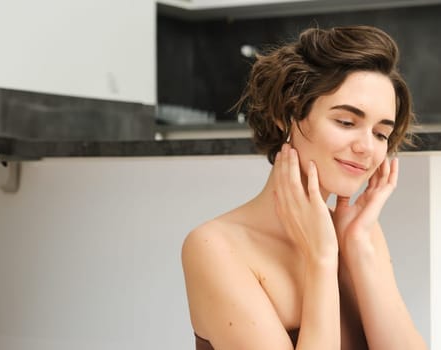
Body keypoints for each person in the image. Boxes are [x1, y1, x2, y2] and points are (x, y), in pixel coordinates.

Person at [181, 25, 426, 350]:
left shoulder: (360, 235)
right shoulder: (215, 247)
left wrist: (359, 248)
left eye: (381, 134)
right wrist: (322, 259)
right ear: (288, 114)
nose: (367, 148)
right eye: (346, 122)